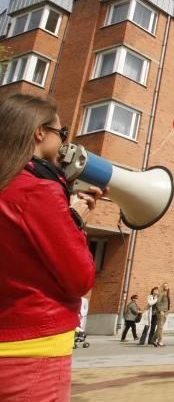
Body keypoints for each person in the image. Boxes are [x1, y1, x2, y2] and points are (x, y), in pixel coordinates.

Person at [0, 93, 103, 402]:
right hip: (32, 351)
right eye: (63, 133)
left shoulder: (12, 183)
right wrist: (75, 219)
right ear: (39, 133)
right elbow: (80, 278)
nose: (64, 142)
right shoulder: (37, 189)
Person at [153, 282, 170, 347]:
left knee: (160, 327)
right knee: (160, 327)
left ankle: (153, 339)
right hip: (161, 312)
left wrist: (167, 311)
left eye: (167, 286)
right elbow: (157, 303)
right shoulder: (161, 293)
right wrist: (160, 311)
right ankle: (160, 341)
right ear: (162, 287)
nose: (166, 287)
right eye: (165, 286)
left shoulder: (167, 293)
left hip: (165, 311)